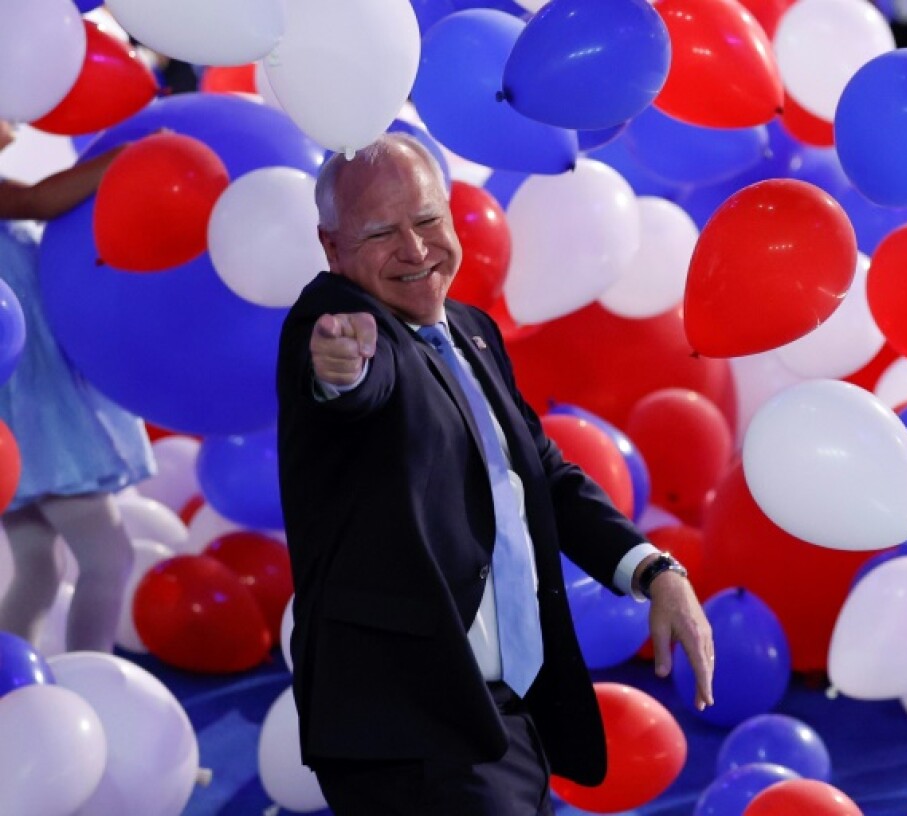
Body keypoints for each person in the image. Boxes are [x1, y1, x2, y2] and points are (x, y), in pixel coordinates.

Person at [277, 133, 715, 815]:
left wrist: (655, 570)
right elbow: (354, 381)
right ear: (332, 249)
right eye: (382, 233)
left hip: (504, 717)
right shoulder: (340, 322)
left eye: (427, 221)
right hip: (412, 727)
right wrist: (343, 370)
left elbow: (542, 473)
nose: (416, 251)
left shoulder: (471, 328)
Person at [0, 121, 155, 652]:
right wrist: (125, 156)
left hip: (26, 418)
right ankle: (92, 677)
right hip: (38, 420)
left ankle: (11, 687)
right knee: (108, 557)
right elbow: (43, 200)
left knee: (39, 567)